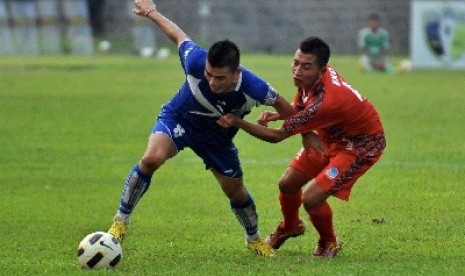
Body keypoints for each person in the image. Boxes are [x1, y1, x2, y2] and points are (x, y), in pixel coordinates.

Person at [107, 0, 295, 257]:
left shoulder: (256, 88)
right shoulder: (195, 60)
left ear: (236, 73)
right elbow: (177, 35)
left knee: (236, 191)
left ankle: (253, 239)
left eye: (220, 77)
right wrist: (150, 12)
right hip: (180, 118)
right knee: (151, 158)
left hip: (217, 137)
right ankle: (120, 221)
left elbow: (291, 114)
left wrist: (283, 122)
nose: (212, 81)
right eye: (208, 74)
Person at [217, 36, 386, 257]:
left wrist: (237, 121)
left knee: (310, 198)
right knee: (287, 184)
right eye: (296, 63)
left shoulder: (326, 101)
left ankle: (329, 242)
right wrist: (280, 114)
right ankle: (290, 226)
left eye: (306, 67)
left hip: (360, 147)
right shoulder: (312, 81)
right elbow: (300, 107)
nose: (297, 71)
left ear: (321, 69)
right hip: (329, 137)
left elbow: (276, 137)